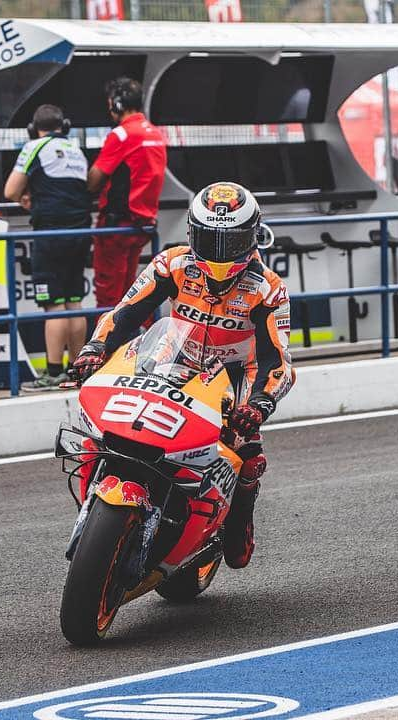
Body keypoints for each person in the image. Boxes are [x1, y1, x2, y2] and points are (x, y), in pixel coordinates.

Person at [70, 181, 294, 570]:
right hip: (173, 357)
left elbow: (278, 361)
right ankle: (99, 502)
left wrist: (259, 404)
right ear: (192, 233)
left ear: (253, 235)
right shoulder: (172, 264)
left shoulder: (268, 290)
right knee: (112, 425)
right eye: (210, 240)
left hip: (235, 375)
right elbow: (124, 315)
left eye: (232, 241)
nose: (220, 255)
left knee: (247, 455)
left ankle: (237, 524)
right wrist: (94, 350)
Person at [4, 104, 92, 390]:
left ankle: (52, 374)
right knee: (74, 301)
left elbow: (10, 190)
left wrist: (26, 199)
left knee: (53, 306)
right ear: (63, 125)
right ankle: (77, 371)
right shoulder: (76, 150)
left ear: (34, 128)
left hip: (51, 234)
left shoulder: (35, 146)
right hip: (80, 232)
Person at [87, 77, 168, 310]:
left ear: (116, 104)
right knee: (129, 295)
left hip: (116, 227)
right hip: (142, 225)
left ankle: (107, 346)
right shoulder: (155, 134)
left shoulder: (121, 135)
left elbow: (94, 181)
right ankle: (131, 344)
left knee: (108, 298)